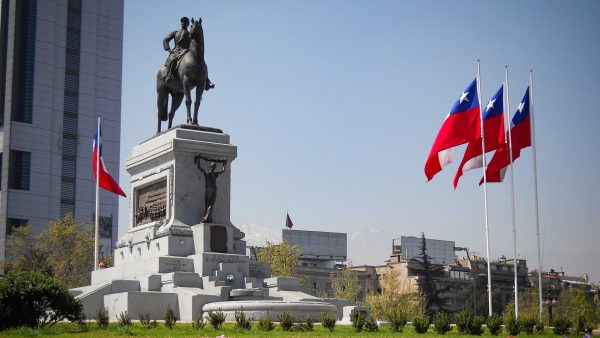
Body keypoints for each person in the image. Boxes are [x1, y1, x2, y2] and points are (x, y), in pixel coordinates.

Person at [163, 16, 215, 90]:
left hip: (186, 51)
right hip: (176, 51)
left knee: (202, 63)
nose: (183, 23)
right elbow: (165, 40)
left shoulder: (190, 34)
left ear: (188, 24)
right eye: (182, 22)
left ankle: (207, 81)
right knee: (172, 59)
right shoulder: (175, 32)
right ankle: (169, 75)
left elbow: (193, 44)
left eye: (185, 22)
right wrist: (169, 50)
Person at [195, 155, 227, 223]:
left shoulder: (207, 172)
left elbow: (199, 167)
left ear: (210, 167)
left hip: (209, 189)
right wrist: (224, 164)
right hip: (214, 189)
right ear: (215, 168)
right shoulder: (215, 174)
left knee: (207, 203)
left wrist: (198, 159)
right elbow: (223, 170)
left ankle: (206, 217)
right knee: (211, 204)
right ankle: (208, 218)